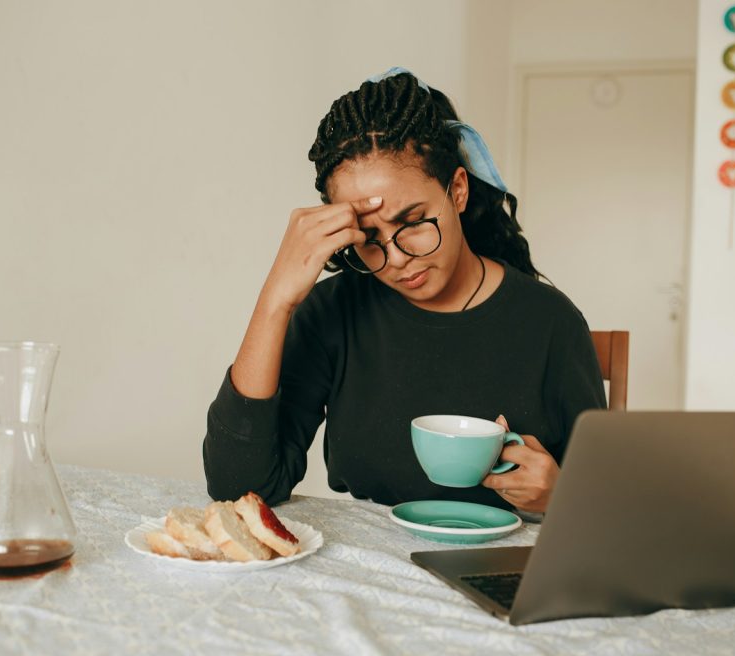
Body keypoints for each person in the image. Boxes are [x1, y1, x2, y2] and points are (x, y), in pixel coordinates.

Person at [203, 68, 606, 514]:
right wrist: (276, 299)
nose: (394, 259)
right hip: (365, 564)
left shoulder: (550, 323)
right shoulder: (334, 312)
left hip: (499, 567)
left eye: (413, 222)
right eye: (369, 237)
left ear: (457, 190)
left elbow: (606, 513)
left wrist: (562, 495)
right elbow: (238, 486)